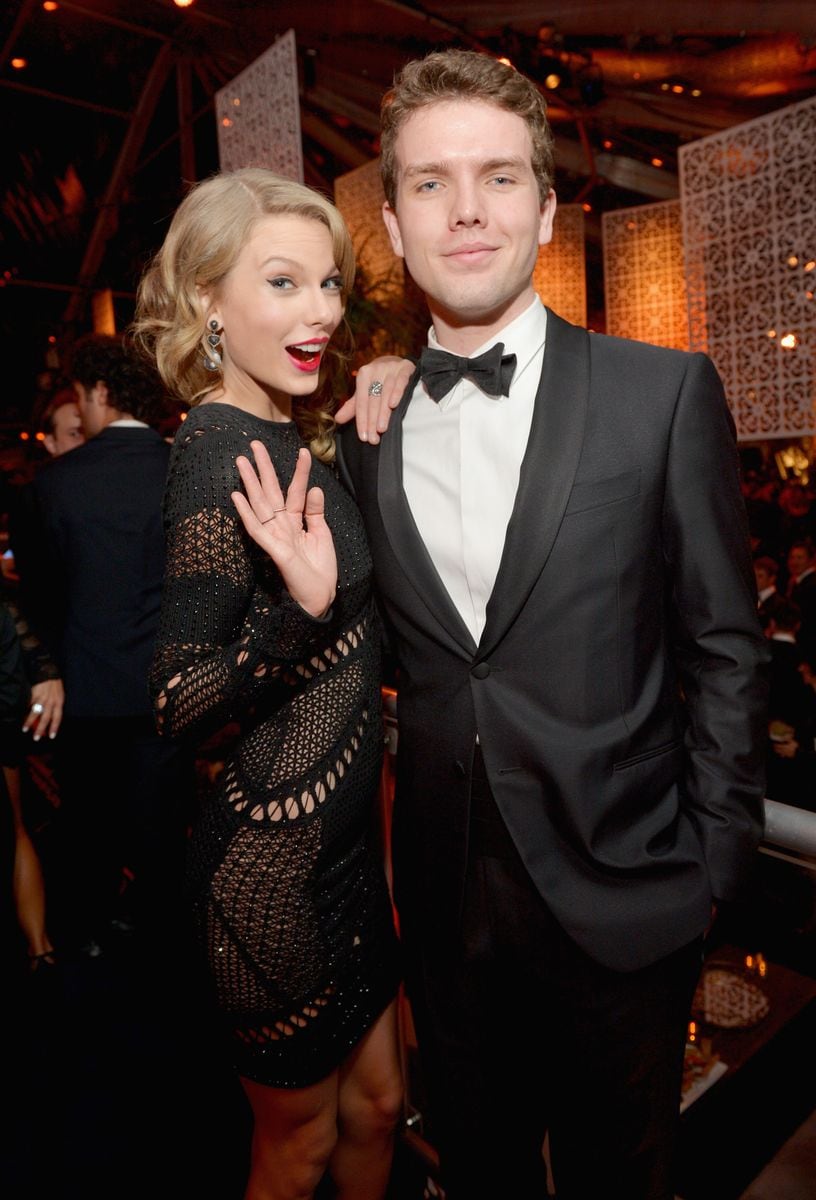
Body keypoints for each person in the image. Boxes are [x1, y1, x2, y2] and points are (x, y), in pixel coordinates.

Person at [332, 48, 770, 1200]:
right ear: (394, 222)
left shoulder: (660, 392)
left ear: (545, 206)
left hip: (632, 905)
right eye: (431, 183)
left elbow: (726, 648)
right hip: (445, 914)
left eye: (498, 177)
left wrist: (713, 866)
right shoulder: (364, 433)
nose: (467, 209)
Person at [131, 167, 408, 1200]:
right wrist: (296, 614)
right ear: (209, 301)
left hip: (342, 850)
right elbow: (173, 700)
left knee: (379, 1107)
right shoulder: (215, 450)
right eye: (282, 282)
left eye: (327, 283)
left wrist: (395, 370)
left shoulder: (286, 428)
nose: (320, 311)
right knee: (299, 1150)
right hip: (268, 876)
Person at [28, 333, 195, 958]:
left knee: (88, 836)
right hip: (167, 694)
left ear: (100, 393)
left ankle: (89, 951)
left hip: (87, 696)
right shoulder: (183, 471)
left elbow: (40, 598)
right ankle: (167, 958)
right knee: (164, 839)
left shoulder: (55, 484)